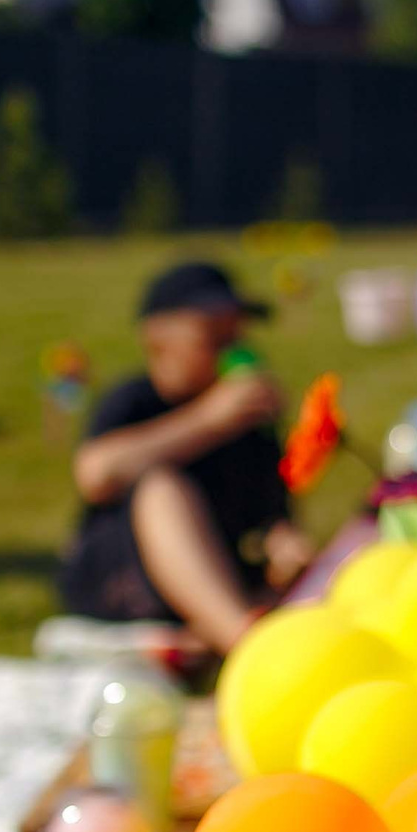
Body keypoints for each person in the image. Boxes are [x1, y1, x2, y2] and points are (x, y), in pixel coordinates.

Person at [59, 261, 313, 654]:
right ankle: (246, 644)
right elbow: (97, 473)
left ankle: (221, 633)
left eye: (236, 335)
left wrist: (283, 548)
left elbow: (273, 515)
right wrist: (209, 419)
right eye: (213, 337)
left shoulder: (249, 428)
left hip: (223, 578)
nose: (232, 349)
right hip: (125, 581)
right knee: (162, 489)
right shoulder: (135, 400)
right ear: (158, 336)